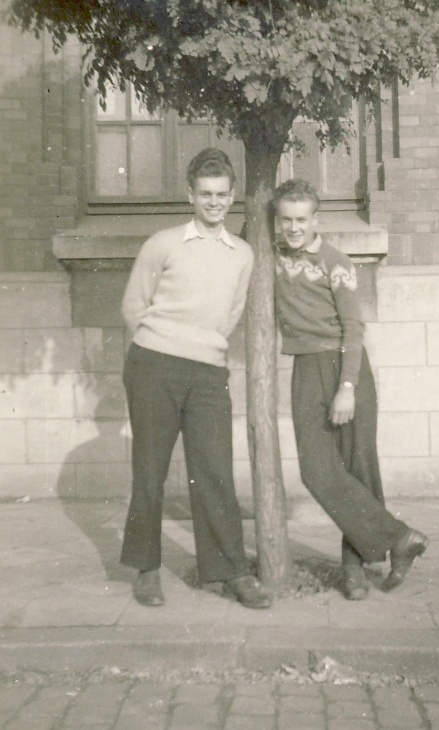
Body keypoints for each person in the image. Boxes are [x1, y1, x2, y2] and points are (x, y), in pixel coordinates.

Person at [120, 147, 272, 610]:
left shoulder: (242, 254)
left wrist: (202, 346)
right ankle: (147, 570)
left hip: (208, 370)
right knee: (150, 470)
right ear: (191, 195)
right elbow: (134, 305)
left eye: (222, 195)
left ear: (232, 197)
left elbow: (230, 314)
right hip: (154, 365)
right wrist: (161, 346)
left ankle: (230, 571)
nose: (214, 203)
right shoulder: (163, 244)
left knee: (214, 470)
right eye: (205, 194)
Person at [272, 178, 428, 600]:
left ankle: (354, 570)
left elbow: (353, 329)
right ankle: (400, 538)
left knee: (359, 470)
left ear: (315, 219)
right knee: (316, 470)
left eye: (301, 219)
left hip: (347, 370)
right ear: (277, 221)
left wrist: (347, 388)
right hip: (306, 370)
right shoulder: (274, 259)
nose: (293, 227)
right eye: (286, 220)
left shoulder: (336, 262)